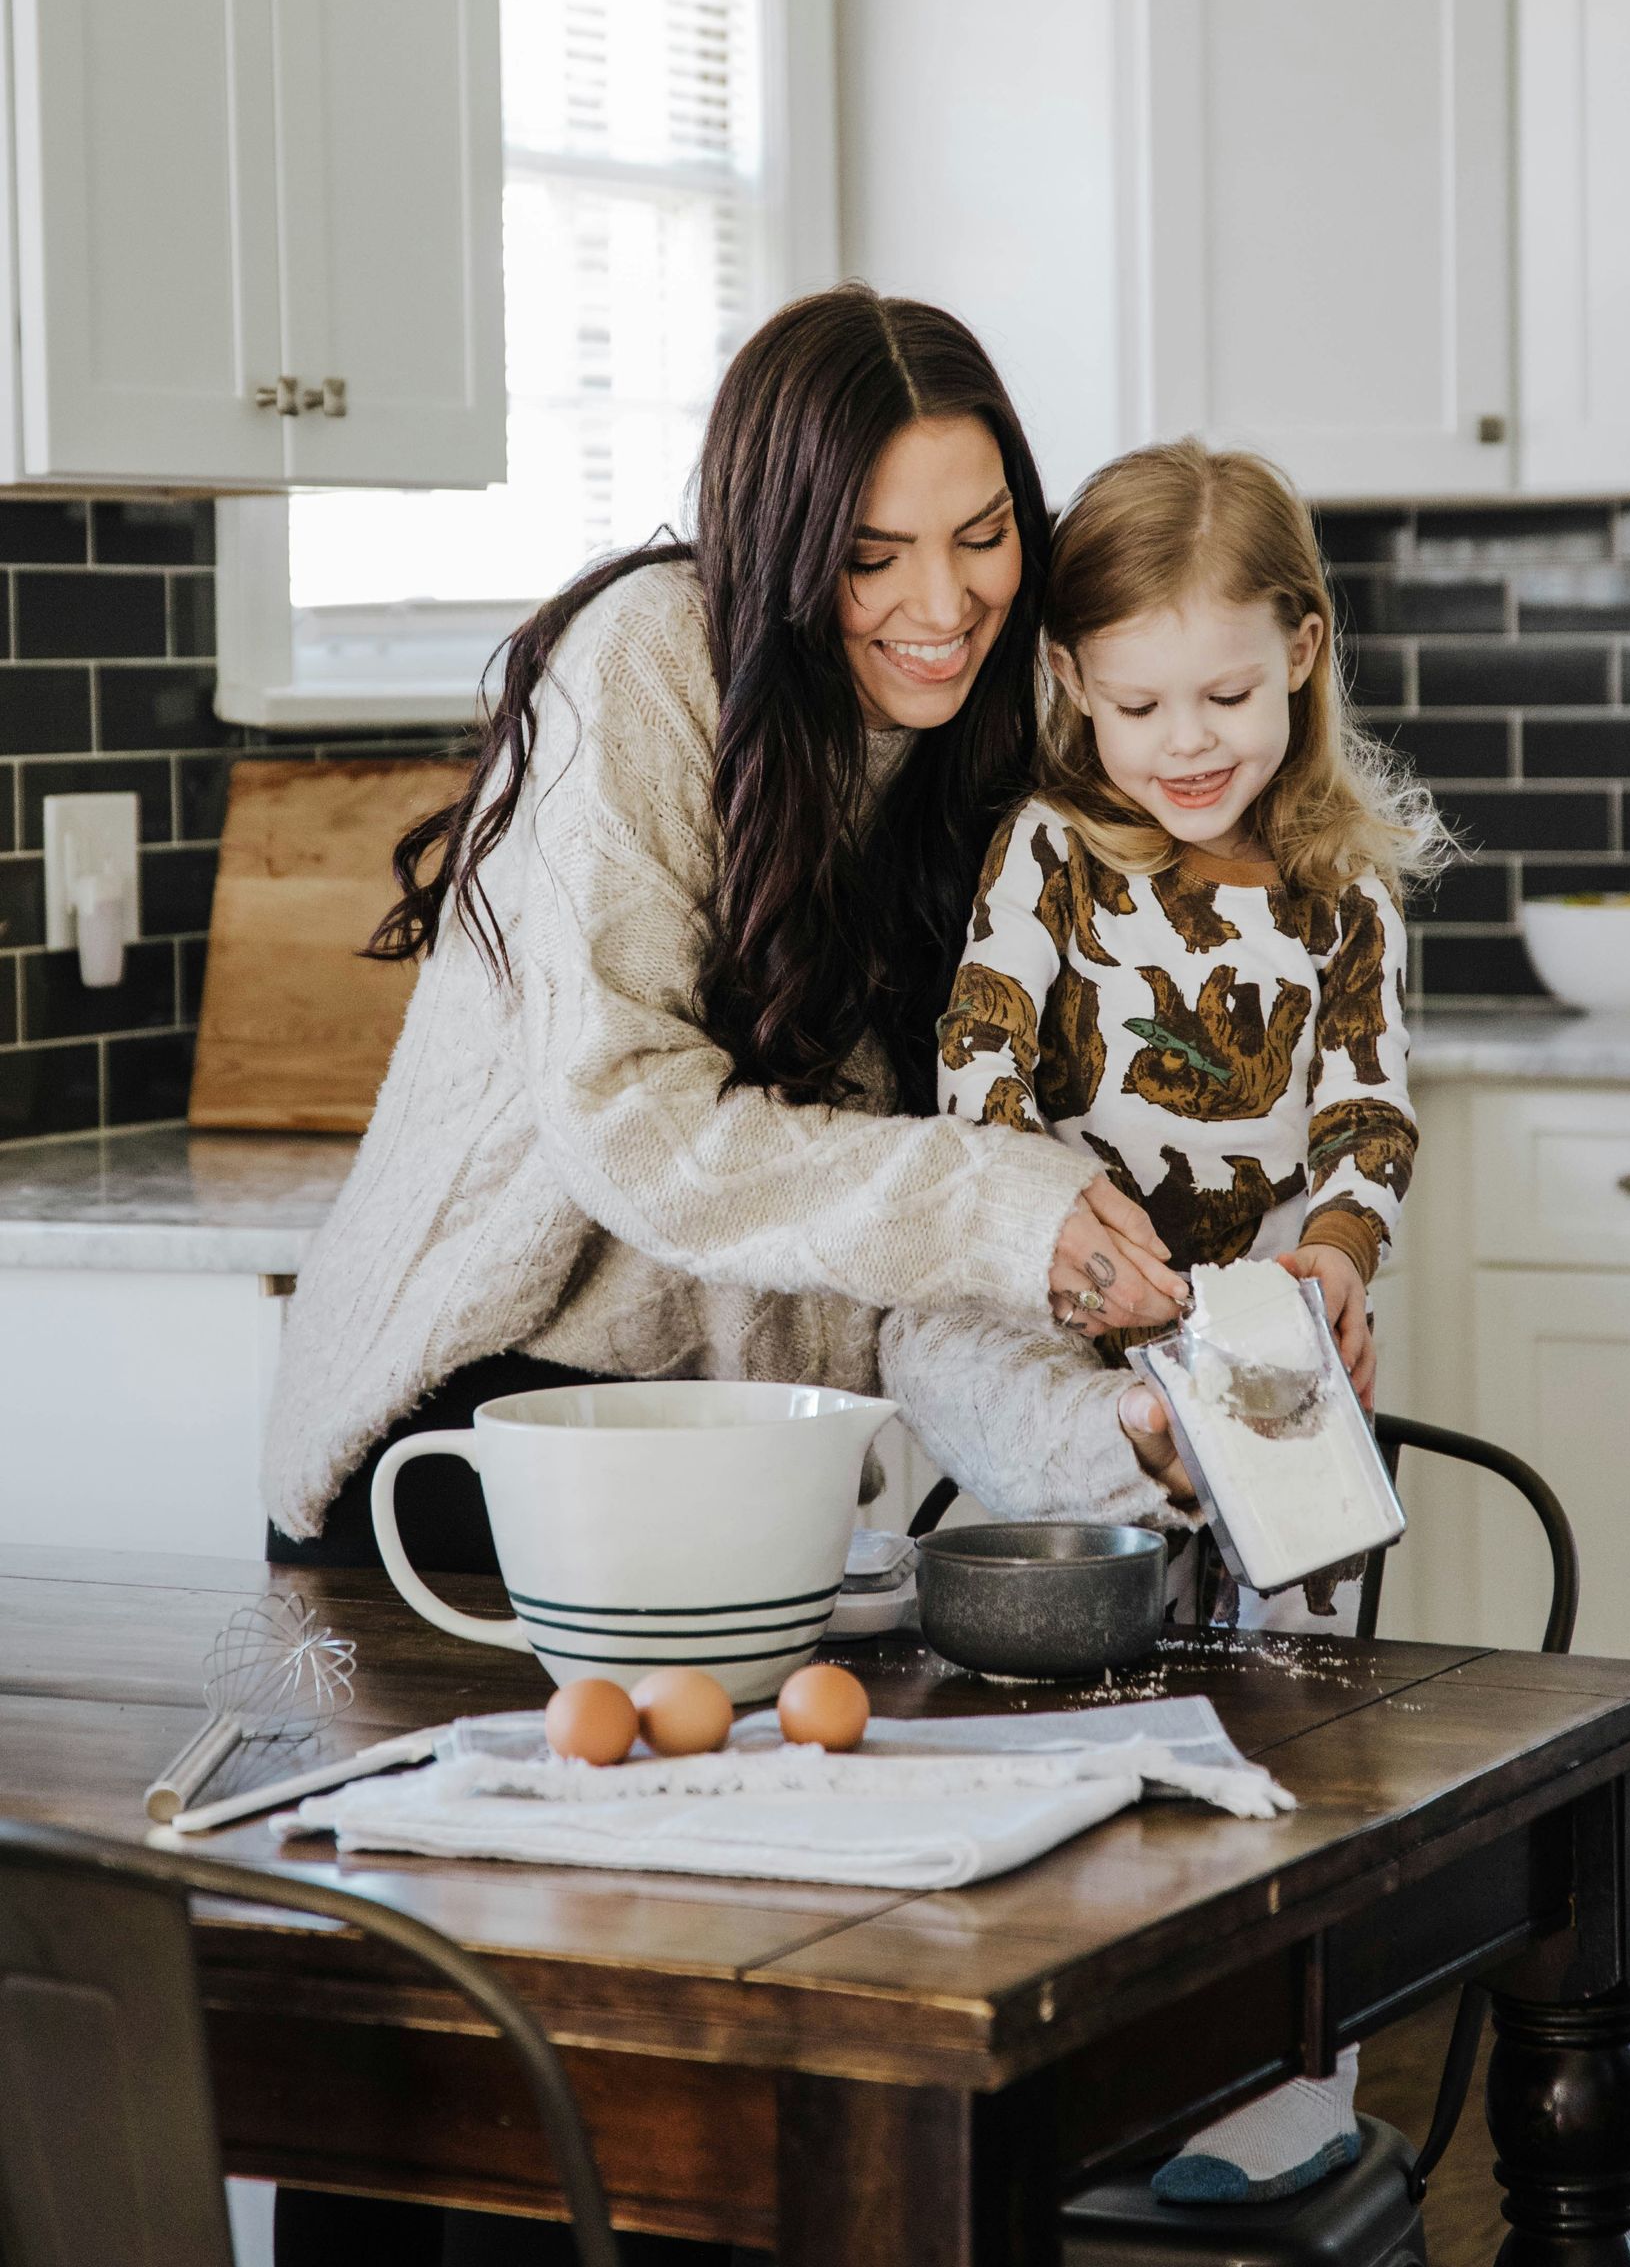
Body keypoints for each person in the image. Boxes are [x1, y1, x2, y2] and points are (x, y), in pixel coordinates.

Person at [262, 288, 1194, 2266]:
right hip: (469, 1452)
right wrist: (994, 1208)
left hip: (734, 1487)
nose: (939, 602)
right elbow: (639, 1127)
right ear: (777, 539)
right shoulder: (648, 666)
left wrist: (1158, 1374)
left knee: (724, 2075)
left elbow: (943, 1208)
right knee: (478, 2103)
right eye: (872, 554)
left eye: (981, 533)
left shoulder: (985, 730)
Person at [937, 437, 1439, 2207]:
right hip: (1076, 1362)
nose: (1188, 740)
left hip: (1265, 1359)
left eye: (1228, 690)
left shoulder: (1342, 894)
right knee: (1092, 1713)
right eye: (1139, 701)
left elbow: (1368, 1119)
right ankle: (1089, 2080)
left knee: (1284, 1717)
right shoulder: (1051, 858)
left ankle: (1281, 2089)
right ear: (1073, 685)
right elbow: (982, 1077)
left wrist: (1340, 1262)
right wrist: (1054, 1245)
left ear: (1303, 650)